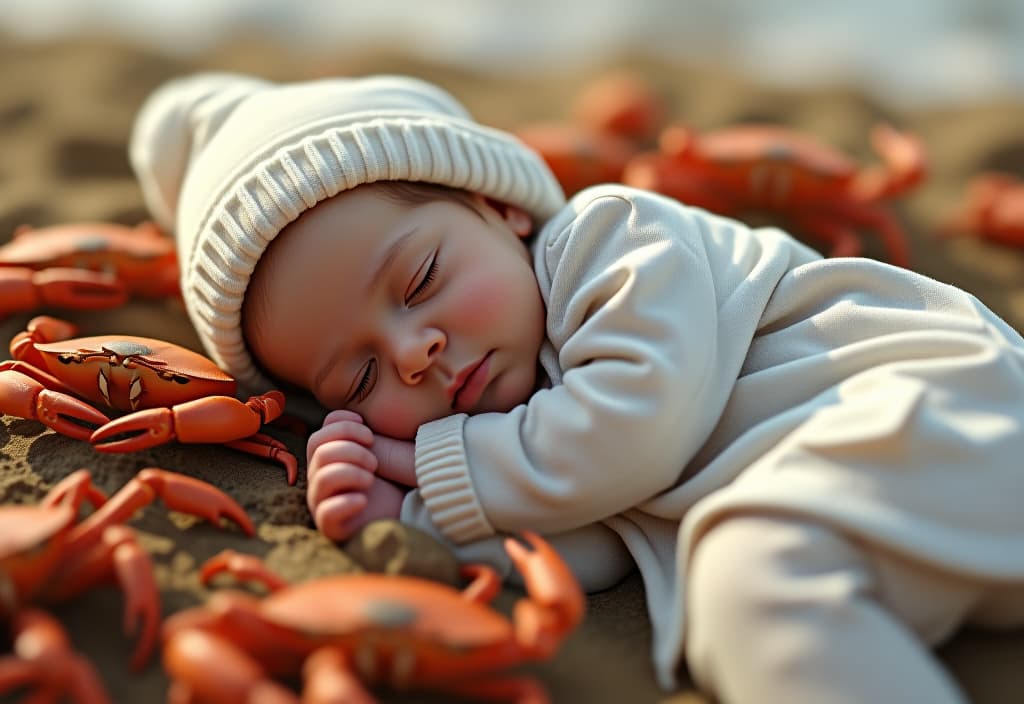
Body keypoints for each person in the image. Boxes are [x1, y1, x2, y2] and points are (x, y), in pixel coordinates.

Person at [130, 71, 1024, 703]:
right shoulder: (540, 433)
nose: (415, 352)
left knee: (758, 570)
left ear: (501, 208)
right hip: (885, 496)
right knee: (735, 585)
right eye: (359, 375)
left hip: (928, 402)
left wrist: (435, 461)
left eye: (420, 281)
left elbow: (631, 433)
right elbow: (589, 540)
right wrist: (406, 522)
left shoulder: (612, 241)